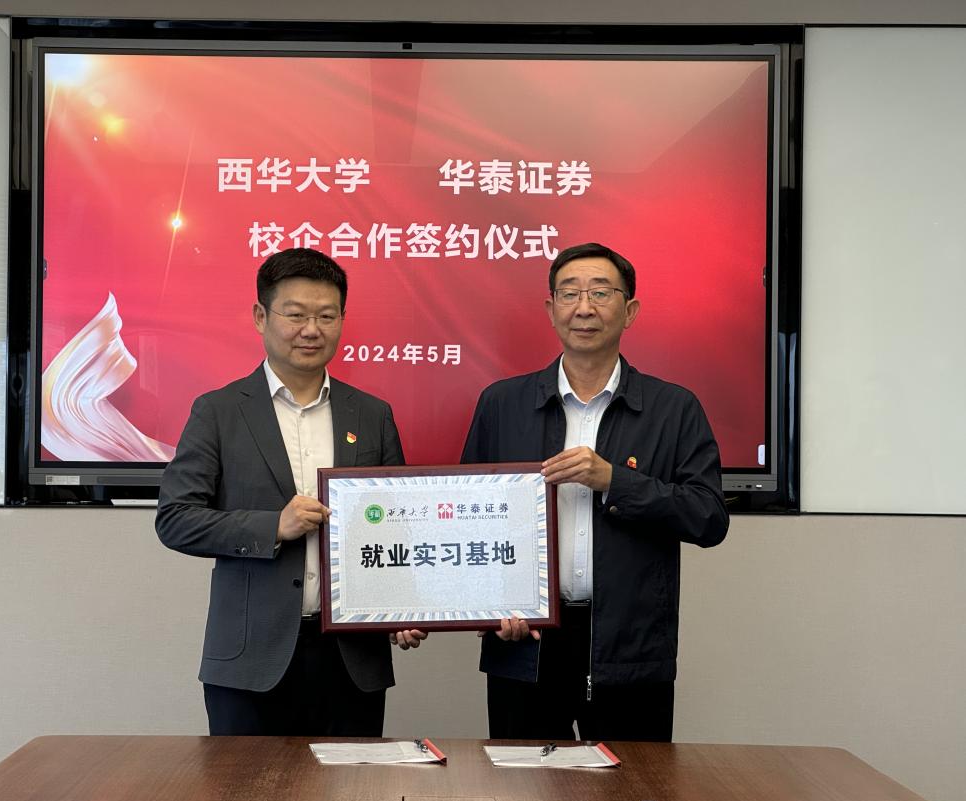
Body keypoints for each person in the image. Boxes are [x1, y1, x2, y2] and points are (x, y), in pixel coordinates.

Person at [460, 242, 729, 743]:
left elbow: (709, 518)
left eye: (601, 293)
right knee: (523, 781)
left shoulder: (674, 408)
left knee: (632, 782)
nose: (584, 307)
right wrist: (488, 607)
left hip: (629, 647)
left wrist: (614, 480)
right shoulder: (502, 403)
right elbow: (467, 516)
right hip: (525, 642)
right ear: (551, 309)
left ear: (630, 310)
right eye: (570, 294)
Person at [156, 248, 426, 737]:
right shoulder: (218, 411)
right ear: (261, 317)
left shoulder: (372, 414)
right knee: (246, 784)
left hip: (351, 658)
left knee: (351, 781)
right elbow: (176, 519)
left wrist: (402, 609)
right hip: (250, 659)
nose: (311, 330)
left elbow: (396, 527)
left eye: (327, 316)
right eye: (296, 315)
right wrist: (273, 526)